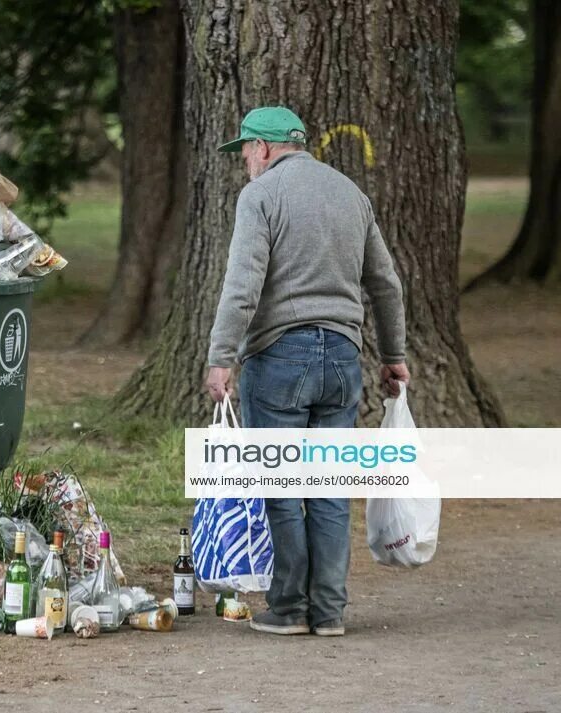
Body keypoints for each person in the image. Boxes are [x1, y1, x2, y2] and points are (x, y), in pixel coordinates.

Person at [204, 106, 409, 637]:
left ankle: (290, 608)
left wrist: (221, 356)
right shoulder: (349, 193)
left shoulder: (261, 195)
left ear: (265, 148)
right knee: (327, 487)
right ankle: (330, 611)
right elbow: (385, 283)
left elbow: (243, 284)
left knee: (281, 485)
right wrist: (393, 355)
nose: (245, 161)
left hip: (280, 358)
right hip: (343, 358)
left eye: (246, 150)